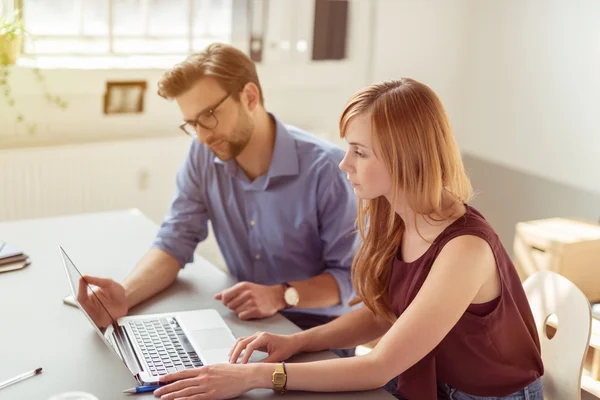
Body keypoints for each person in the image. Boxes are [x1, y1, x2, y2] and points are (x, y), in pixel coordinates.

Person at [151, 78, 545, 400]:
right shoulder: (396, 215)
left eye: (360, 152)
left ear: (405, 157)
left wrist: (257, 376)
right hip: (429, 379)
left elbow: (378, 366)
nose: (345, 164)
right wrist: (297, 343)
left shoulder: (465, 249)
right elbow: (382, 313)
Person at [77, 43, 358, 356]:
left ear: (250, 97)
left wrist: (281, 295)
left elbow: (350, 282)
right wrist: (124, 297)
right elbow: (175, 241)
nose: (202, 136)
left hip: (318, 336)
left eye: (209, 115)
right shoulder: (203, 154)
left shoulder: (329, 171)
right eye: (192, 123)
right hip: (247, 326)